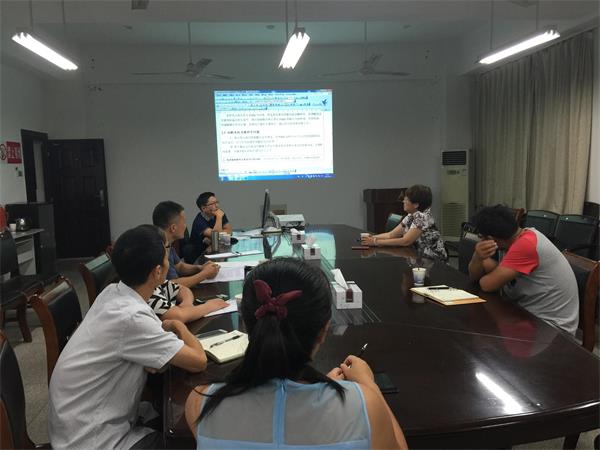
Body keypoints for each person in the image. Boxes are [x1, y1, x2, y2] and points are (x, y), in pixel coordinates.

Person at [185, 258, 408, 450]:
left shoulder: (201, 402)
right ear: (324, 330)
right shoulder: (364, 406)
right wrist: (369, 386)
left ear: (247, 324)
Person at [48, 225, 208, 450]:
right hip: (92, 440)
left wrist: (157, 354)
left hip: (80, 421)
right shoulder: (131, 317)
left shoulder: (113, 292)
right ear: (157, 272)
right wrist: (178, 326)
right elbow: (198, 361)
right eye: (166, 257)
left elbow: (154, 354)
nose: (169, 262)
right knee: (190, 435)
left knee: (167, 405)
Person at [468, 205, 579, 335]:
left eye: (482, 237)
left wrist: (483, 264)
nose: (481, 241)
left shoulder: (526, 245)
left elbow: (487, 285)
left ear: (491, 239)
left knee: (483, 333)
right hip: (529, 316)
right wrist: (478, 257)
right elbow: (475, 275)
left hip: (553, 329)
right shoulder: (515, 239)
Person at [361, 184, 447, 260]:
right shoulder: (410, 216)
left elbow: (405, 241)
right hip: (418, 258)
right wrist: (371, 237)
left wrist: (375, 242)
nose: (403, 202)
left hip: (433, 261)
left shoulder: (423, 217)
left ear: (416, 204)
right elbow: (391, 235)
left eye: (406, 200)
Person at [152, 200, 220, 288]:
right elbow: (172, 286)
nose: (185, 226)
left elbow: (179, 266)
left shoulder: (168, 244)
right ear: (173, 228)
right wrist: (204, 274)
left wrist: (200, 268)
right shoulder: (158, 250)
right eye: (184, 222)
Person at [187, 192, 232, 262]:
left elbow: (229, 231)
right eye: (212, 204)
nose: (216, 206)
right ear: (203, 208)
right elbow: (216, 236)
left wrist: (211, 239)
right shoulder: (199, 221)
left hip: (213, 250)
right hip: (199, 256)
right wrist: (219, 217)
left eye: (217, 202)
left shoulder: (219, 213)